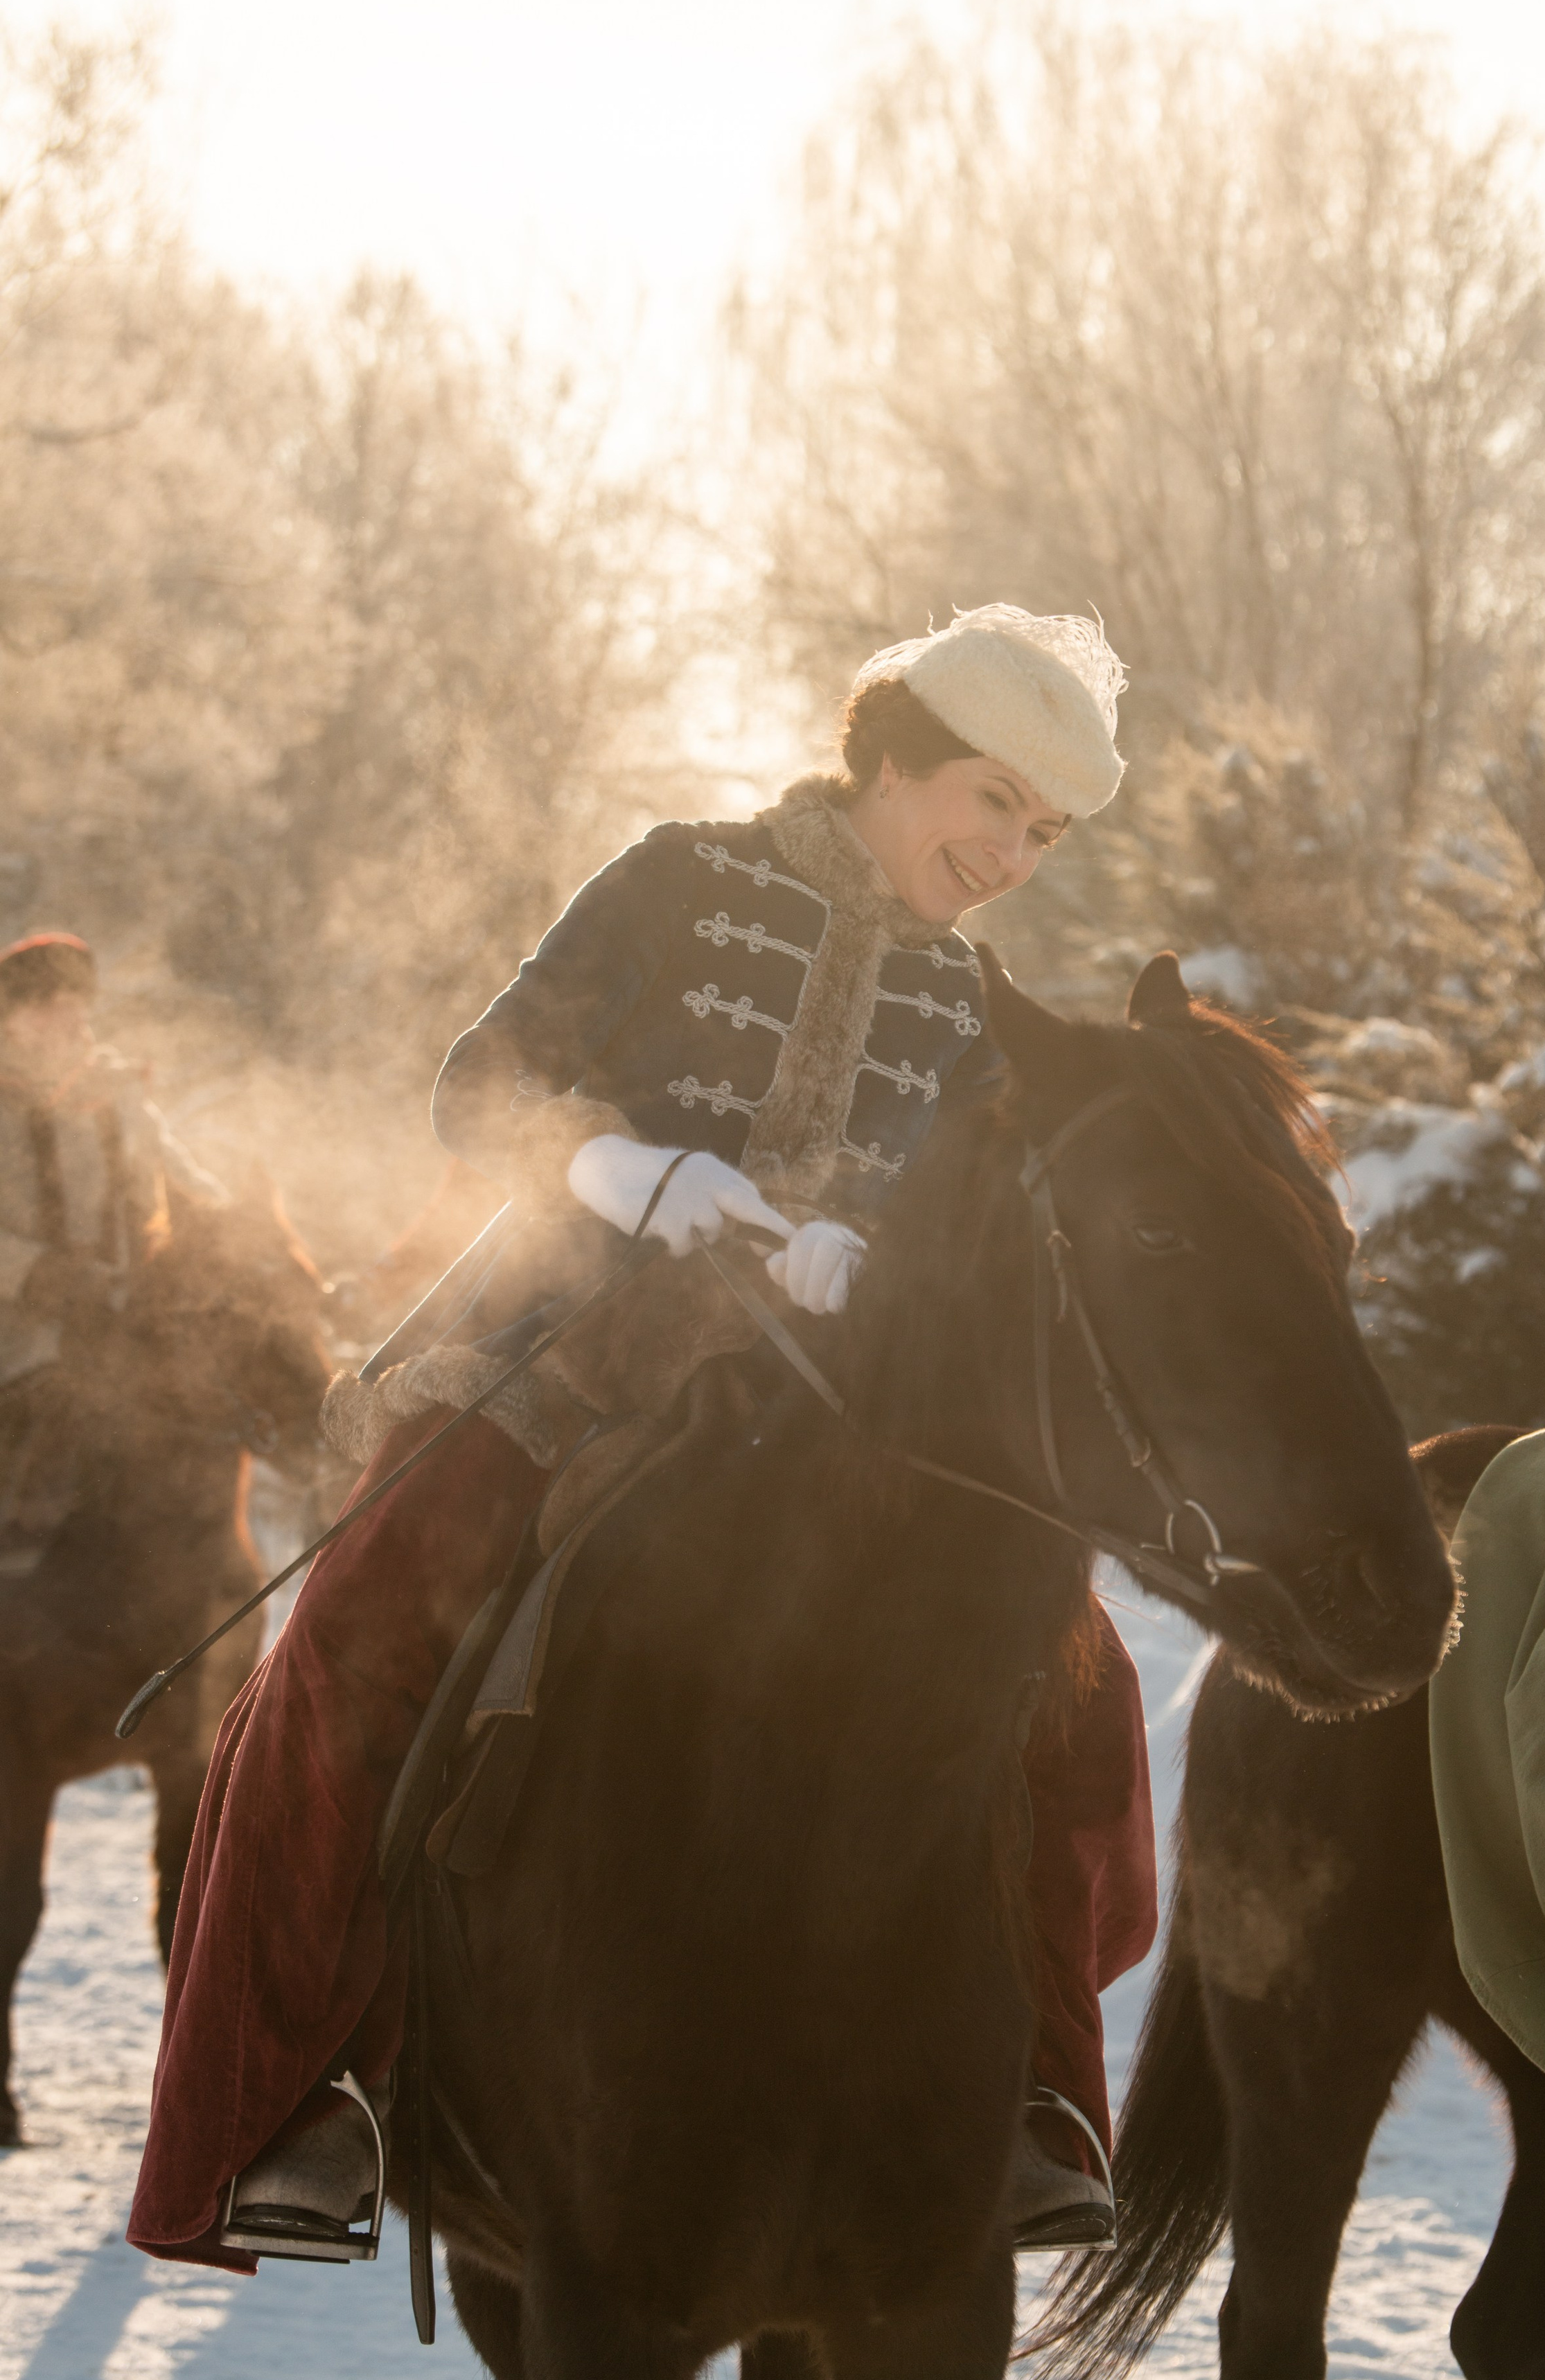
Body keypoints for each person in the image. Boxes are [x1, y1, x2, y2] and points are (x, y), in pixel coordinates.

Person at [129, 603, 1160, 2269]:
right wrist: (632, 1172)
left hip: (840, 1414)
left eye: (1041, 832)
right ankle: (304, 2092)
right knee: (352, 1630)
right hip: (568, 1354)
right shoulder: (678, 875)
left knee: (1076, 1676)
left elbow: (989, 1245)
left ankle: (1035, 2086)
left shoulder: (976, 1007)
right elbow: (483, 1083)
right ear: (889, 757)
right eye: (990, 801)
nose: (1010, 853)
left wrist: (879, 1268)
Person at [0, 933, 222, 1554]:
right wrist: (36, 1272)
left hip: (126, 1309)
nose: (72, 1017)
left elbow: (171, 1167)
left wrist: (227, 1213)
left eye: (76, 1001)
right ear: (15, 1021)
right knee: (60, 1404)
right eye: (49, 1004)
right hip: (21, 1332)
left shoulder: (114, 1090)